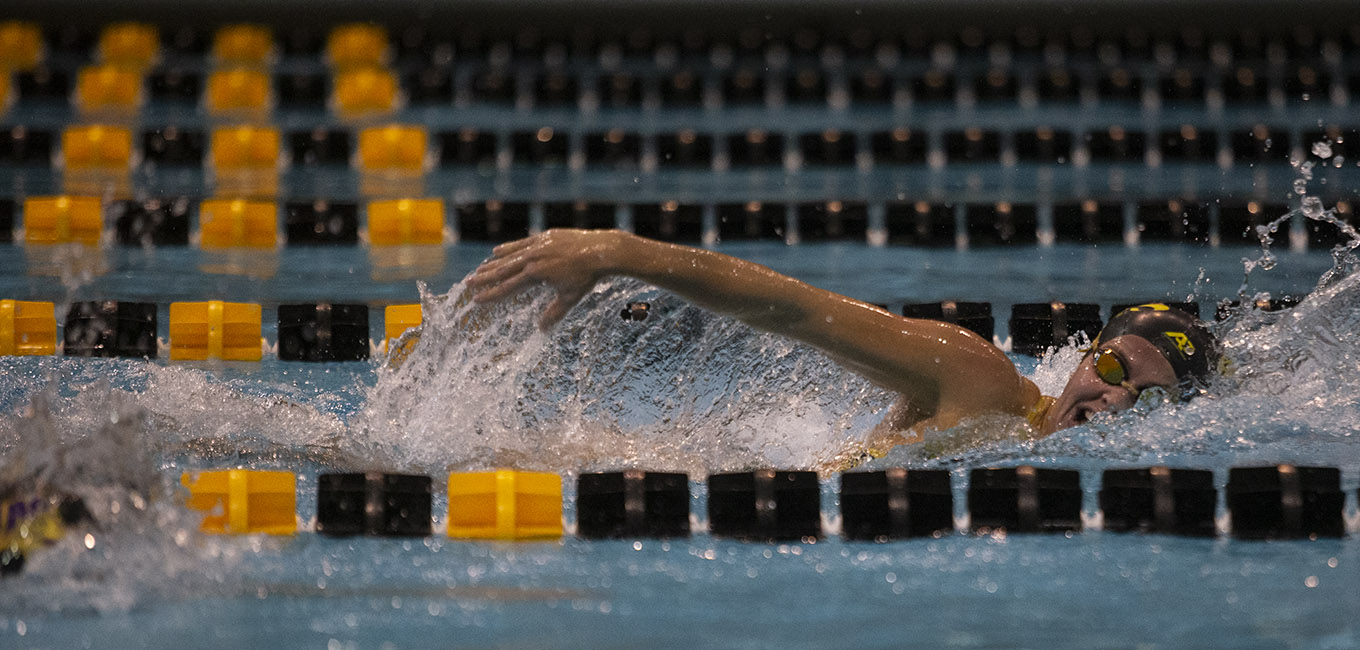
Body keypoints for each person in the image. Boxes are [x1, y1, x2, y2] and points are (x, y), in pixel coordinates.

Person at [466, 229, 1219, 442]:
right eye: (1117, 368)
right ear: (1087, 354)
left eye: (1148, 398)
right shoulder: (980, 381)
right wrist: (620, 254)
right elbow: (799, 313)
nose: (1115, 401)